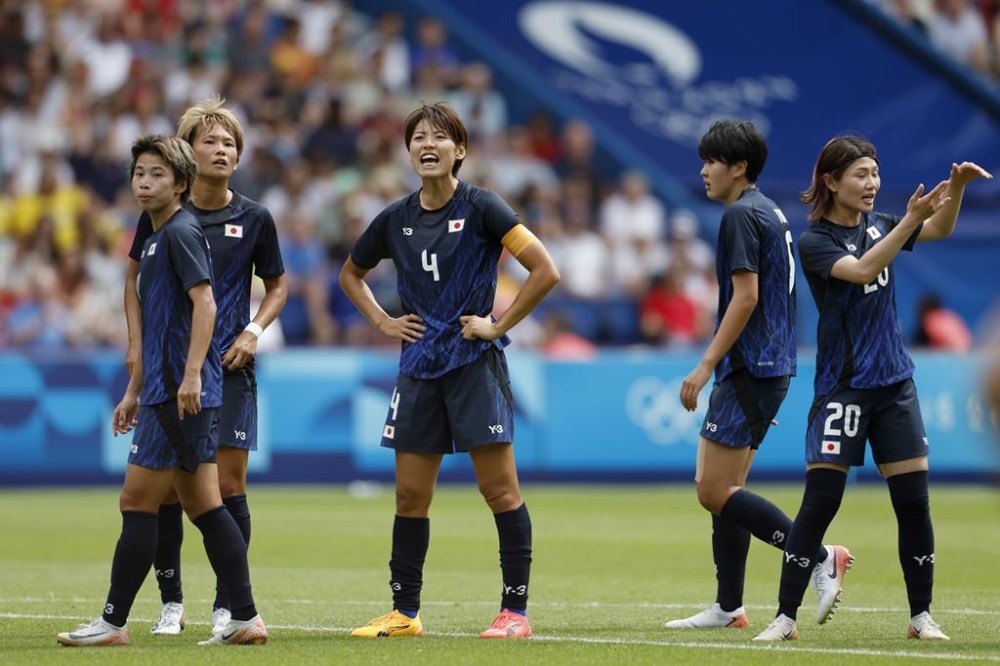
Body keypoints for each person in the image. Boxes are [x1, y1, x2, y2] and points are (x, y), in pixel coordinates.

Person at [752, 135, 990, 642]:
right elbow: (862, 270)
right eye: (861, 174)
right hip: (843, 389)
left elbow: (940, 227)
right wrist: (907, 220)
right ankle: (785, 617)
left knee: (913, 503)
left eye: (875, 173)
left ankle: (921, 616)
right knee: (821, 502)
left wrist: (959, 189)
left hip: (894, 386)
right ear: (831, 182)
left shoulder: (882, 225)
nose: (872, 183)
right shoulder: (815, 240)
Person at [339, 102, 560, 639]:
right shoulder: (395, 218)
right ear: (408, 149)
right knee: (410, 496)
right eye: (418, 137)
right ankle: (405, 614)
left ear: (460, 149)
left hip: (473, 365)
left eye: (440, 136)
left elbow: (545, 270)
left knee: (500, 491)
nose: (428, 144)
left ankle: (514, 614)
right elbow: (351, 274)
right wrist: (383, 321)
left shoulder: (484, 207)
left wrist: (496, 323)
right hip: (417, 367)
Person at [56, 135, 267, 647]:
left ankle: (112, 622)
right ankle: (244, 617)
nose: (144, 183)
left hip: (179, 393)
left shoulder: (178, 232)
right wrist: (134, 389)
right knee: (205, 506)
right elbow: (156, 322)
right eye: (139, 174)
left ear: (180, 183)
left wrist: (192, 374)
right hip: (165, 390)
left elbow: (207, 306)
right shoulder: (153, 235)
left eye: (156, 175)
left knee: (137, 501)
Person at [666, 120, 851, 631]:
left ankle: (815, 555)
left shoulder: (740, 216)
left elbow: (746, 296)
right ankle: (729, 606)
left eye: (711, 161)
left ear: (739, 167)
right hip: (770, 365)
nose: (703, 171)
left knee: (712, 489)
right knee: (730, 488)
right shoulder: (770, 210)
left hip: (751, 366)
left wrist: (705, 365)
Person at [123, 97, 287, 637]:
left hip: (228, 369)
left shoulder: (255, 217)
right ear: (187, 153)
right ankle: (171, 603)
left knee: (228, 487)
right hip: (172, 371)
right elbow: (133, 282)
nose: (221, 150)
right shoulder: (166, 214)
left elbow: (278, 285)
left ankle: (229, 606)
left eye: (230, 143)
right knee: (168, 490)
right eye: (210, 140)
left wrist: (254, 330)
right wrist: (137, 350)